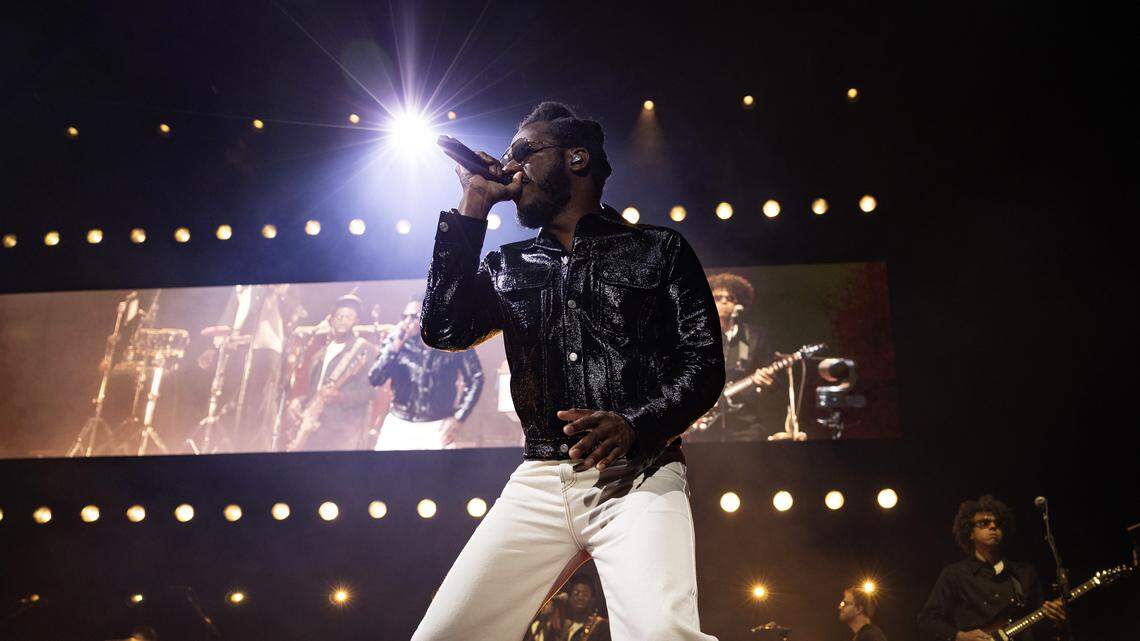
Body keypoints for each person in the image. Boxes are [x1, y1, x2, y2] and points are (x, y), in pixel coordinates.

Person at [413, 101, 724, 640]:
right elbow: (443, 329)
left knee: (660, 633)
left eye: (523, 154)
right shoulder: (507, 265)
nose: (508, 169)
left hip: (639, 474)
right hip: (539, 479)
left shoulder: (659, 250)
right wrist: (472, 204)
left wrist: (634, 423)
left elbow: (703, 367)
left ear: (575, 159)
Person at [917, 495, 1066, 641]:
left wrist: (1056, 621)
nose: (993, 526)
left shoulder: (1024, 573)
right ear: (970, 533)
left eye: (998, 523)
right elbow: (927, 619)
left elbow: (1037, 627)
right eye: (984, 523)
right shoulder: (955, 574)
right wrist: (960, 636)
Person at [368, 300, 484, 450]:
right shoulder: (396, 342)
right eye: (405, 317)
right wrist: (395, 346)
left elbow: (476, 378)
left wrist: (459, 418)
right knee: (384, 471)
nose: (408, 321)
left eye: (414, 316)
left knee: (437, 473)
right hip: (398, 423)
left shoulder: (454, 340)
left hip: (437, 425)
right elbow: (375, 379)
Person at [286, 294, 377, 451]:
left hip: (343, 431)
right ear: (331, 319)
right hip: (315, 428)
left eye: (349, 317)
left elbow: (370, 393)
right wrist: (299, 402)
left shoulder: (364, 350)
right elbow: (315, 392)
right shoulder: (319, 355)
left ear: (356, 321)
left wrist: (342, 397)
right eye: (339, 316)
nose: (343, 320)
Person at [697, 272, 774, 440]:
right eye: (718, 297)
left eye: (730, 297)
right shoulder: (698, 336)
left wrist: (767, 382)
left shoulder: (755, 336)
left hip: (745, 424)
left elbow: (774, 383)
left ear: (739, 303)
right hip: (705, 426)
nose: (724, 301)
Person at [526, 575, 611, 641]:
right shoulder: (556, 622)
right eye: (576, 593)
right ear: (569, 595)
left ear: (591, 599)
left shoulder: (599, 626)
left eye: (585, 595)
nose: (580, 597)